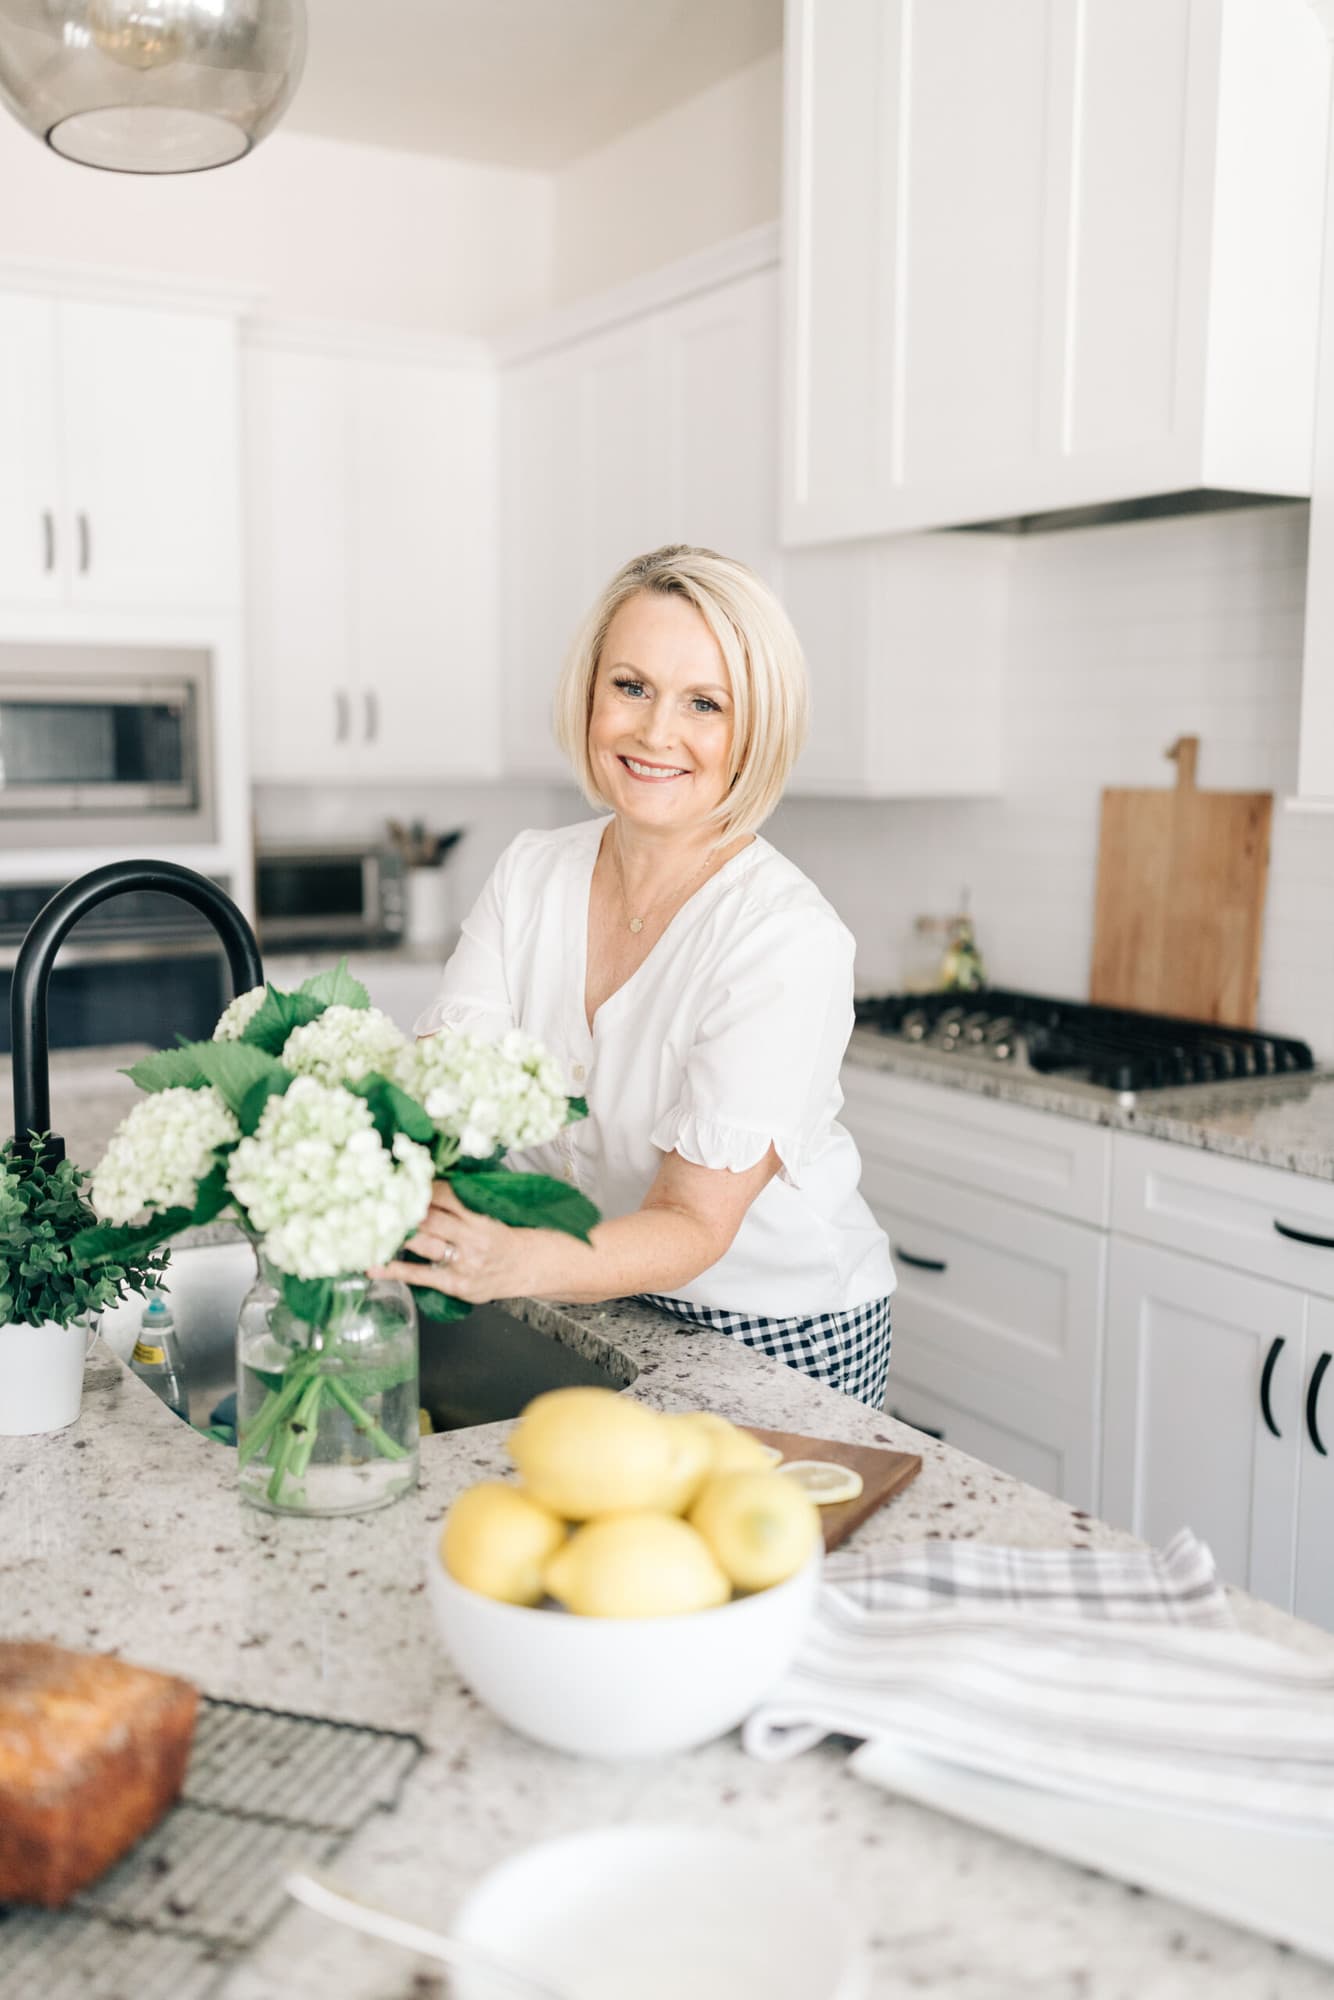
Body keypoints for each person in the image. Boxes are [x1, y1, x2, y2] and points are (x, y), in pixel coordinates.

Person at [376, 545, 896, 1405]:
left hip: (772, 1328)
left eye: (705, 703)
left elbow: (694, 1222)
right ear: (590, 695)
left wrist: (509, 1258)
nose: (656, 732)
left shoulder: (784, 937)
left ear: (756, 729)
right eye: (631, 687)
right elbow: (443, 1097)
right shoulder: (531, 872)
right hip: (600, 1294)